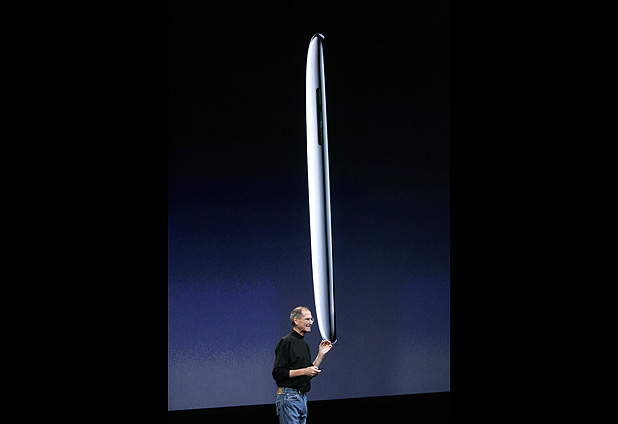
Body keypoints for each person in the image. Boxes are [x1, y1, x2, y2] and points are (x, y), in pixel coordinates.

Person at [272, 306, 333, 424]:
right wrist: (305, 371)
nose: (311, 322)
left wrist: (321, 354)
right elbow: (278, 373)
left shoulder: (304, 344)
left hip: (302, 398)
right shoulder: (287, 341)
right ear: (296, 320)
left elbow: (308, 373)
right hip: (289, 397)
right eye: (307, 319)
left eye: (311, 319)